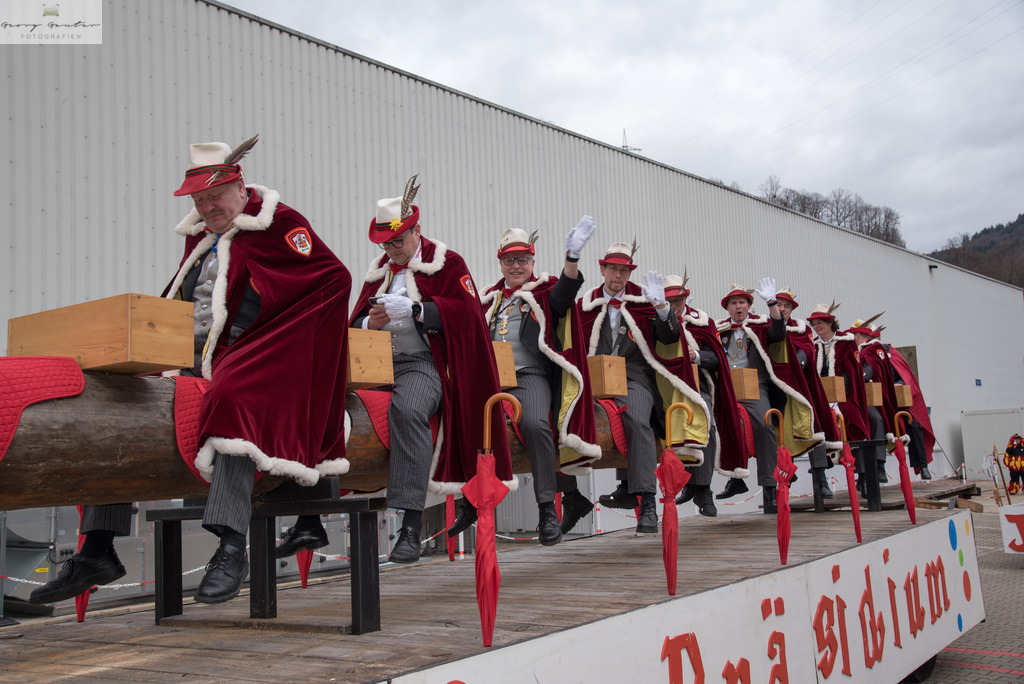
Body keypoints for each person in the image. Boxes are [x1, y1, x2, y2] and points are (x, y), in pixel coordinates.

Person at [30, 137, 352, 605]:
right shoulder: (200, 237)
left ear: (240, 187)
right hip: (190, 356)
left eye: (214, 196)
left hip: (251, 351)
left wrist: (263, 331)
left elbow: (333, 279)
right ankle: (97, 548)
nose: (207, 207)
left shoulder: (280, 224)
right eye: (199, 200)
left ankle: (232, 547)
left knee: (234, 397)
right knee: (122, 400)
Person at [345, 176, 514, 563]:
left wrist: (420, 310)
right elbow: (355, 322)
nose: (392, 250)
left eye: (398, 241)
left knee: (408, 410)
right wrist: (370, 322)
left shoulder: (447, 262)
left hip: (424, 363)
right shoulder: (379, 269)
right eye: (386, 244)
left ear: (417, 231)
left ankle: (409, 524)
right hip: (376, 364)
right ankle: (312, 515)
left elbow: (469, 315)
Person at [479, 220, 601, 543]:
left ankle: (547, 508)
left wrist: (571, 259)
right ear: (500, 263)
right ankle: (470, 503)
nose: (516, 266)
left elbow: (564, 296)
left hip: (529, 375)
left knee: (535, 424)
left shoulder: (543, 293)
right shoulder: (489, 298)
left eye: (522, 260)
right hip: (492, 380)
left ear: (532, 262)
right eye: (509, 260)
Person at [576, 242, 708, 534]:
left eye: (624, 271)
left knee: (637, 419)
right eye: (613, 269)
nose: (618, 275)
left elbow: (670, 337)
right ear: (602, 269)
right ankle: (571, 496)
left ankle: (647, 500)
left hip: (634, 377)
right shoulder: (585, 304)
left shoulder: (643, 300)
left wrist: (662, 308)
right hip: (593, 379)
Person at [715, 280, 823, 513]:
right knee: (724, 424)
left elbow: (778, 332)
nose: (738, 307)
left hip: (756, 385)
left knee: (764, 425)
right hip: (727, 386)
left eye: (742, 302)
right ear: (727, 308)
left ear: (749, 305)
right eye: (733, 303)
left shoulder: (760, 325)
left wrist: (773, 304)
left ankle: (769, 488)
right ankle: (735, 478)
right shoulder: (719, 330)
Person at [665, 274, 747, 517]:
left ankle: (703, 488)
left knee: (707, 425)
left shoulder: (702, 322)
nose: (674, 305)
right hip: (665, 388)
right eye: (670, 301)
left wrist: (697, 356)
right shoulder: (656, 320)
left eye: (678, 300)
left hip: (698, 386)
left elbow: (717, 358)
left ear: (686, 299)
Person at [774, 289, 842, 499]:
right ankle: (784, 479)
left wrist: (796, 366)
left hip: (801, 386)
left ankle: (821, 478)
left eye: (787, 306)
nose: (782, 309)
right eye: (779, 304)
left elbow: (806, 351)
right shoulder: (766, 327)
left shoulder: (800, 329)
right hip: (776, 387)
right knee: (775, 430)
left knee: (813, 425)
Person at [807, 302, 871, 488]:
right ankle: (820, 474)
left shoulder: (846, 342)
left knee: (853, 419)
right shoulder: (813, 345)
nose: (817, 327)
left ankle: (863, 474)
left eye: (820, 323)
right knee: (812, 421)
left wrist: (839, 388)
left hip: (844, 395)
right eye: (814, 324)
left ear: (830, 323)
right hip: (821, 395)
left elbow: (853, 371)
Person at [850, 314, 898, 487]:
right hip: (852, 397)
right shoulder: (852, 351)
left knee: (876, 419)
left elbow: (868, 372)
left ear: (857, 336)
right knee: (854, 424)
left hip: (869, 397)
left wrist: (857, 379)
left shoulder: (873, 351)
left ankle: (879, 465)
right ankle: (861, 473)